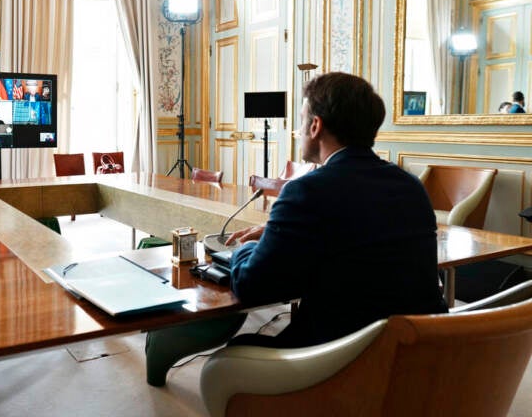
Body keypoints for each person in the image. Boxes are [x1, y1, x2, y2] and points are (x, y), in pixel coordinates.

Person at [144, 72, 448, 386]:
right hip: (417, 357)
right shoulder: (410, 186)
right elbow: (356, 240)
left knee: (221, 365)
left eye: (301, 120)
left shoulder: (307, 191)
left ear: (315, 126)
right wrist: (279, 234)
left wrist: (242, 250)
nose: (297, 131)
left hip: (339, 361)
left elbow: (252, 285)